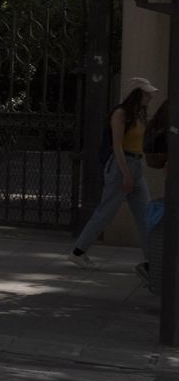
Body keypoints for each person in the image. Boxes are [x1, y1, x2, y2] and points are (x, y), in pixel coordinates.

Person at [72, 77, 158, 272]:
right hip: (122, 165)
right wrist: (126, 174)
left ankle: (151, 262)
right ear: (136, 94)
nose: (150, 97)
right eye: (146, 93)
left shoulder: (141, 114)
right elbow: (117, 147)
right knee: (106, 212)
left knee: (146, 216)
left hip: (136, 164)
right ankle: (78, 251)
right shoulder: (120, 114)